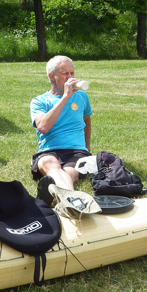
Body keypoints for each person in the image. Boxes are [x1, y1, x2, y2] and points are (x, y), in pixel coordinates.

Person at [30, 55, 93, 205]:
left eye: (72, 73)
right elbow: (43, 127)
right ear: (52, 76)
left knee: (70, 173)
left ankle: (60, 198)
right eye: (65, 74)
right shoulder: (39, 101)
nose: (70, 77)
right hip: (48, 151)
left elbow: (87, 120)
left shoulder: (82, 96)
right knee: (50, 164)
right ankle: (73, 201)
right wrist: (65, 97)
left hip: (76, 151)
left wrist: (87, 148)